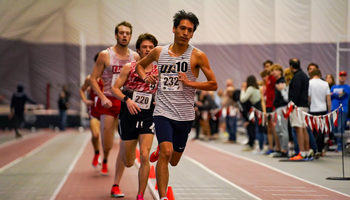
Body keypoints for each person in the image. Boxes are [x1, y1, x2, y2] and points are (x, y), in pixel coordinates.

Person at [135, 10, 217, 200]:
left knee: (174, 161)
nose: (185, 33)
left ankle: (162, 148)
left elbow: (213, 84)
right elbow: (139, 65)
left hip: (185, 115)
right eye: (182, 28)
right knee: (167, 152)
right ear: (174, 28)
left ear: (193, 33)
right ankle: (163, 197)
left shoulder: (197, 56)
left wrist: (190, 83)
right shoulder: (159, 52)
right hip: (162, 110)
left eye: (190, 30)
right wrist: (146, 77)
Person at [111, 33, 158, 200]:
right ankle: (123, 151)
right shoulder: (129, 68)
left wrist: (157, 101)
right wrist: (127, 100)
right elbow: (114, 89)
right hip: (129, 115)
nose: (147, 50)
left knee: (145, 155)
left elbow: (163, 92)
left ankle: (140, 195)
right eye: (144, 47)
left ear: (155, 51)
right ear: (138, 49)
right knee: (129, 161)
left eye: (151, 47)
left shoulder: (158, 70)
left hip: (148, 117)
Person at [90, 21, 140, 178]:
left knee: (125, 139)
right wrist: (102, 97)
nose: (124, 36)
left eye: (127, 33)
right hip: (109, 101)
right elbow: (92, 78)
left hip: (126, 101)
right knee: (107, 142)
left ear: (131, 36)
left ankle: (120, 168)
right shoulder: (105, 55)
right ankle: (105, 158)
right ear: (116, 35)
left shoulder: (135, 57)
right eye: (121, 33)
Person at [79, 53, 104, 168]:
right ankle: (97, 153)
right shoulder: (90, 78)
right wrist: (85, 100)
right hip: (94, 111)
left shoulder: (110, 78)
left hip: (108, 111)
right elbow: (81, 90)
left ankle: (106, 160)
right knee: (95, 135)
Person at [288, 58, 312, 161]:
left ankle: (302, 153)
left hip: (297, 106)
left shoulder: (297, 76)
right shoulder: (304, 75)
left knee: (299, 128)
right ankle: (306, 151)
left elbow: (296, 91)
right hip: (304, 105)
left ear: (291, 66)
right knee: (304, 128)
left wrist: (293, 104)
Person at [308, 68, 331, 158]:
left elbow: (309, 97)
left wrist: (308, 105)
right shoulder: (325, 84)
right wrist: (329, 111)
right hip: (322, 109)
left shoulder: (310, 83)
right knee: (320, 130)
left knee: (312, 130)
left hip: (313, 109)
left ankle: (314, 149)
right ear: (320, 74)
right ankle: (320, 150)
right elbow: (328, 98)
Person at [240, 76, 263, 152]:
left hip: (256, 108)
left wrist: (243, 90)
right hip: (260, 107)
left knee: (255, 127)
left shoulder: (250, 88)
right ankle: (259, 145)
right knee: (259, 127)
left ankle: (255, 145)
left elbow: (243, 99)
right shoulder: (257, 87)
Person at [271, 64, 289, 158]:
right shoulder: (277, 81)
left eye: (276, 70)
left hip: (282, 107)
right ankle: (282, 148)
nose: (274, 72)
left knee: (283, 129)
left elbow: (285, 95)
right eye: (273, 70)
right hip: (278, 107)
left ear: (280, 71)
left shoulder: (282, 81)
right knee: (278, 129)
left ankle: (284, 149)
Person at [330, 71, 350, 152]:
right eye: (341, 76)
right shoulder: (333, 87)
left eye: (343, 76)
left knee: (340, 128)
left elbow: (343, 96)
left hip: (343, 110)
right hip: (333, 110)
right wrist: (337, 95)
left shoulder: (347, 87)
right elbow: (330, 97)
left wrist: (335, 95)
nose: (342, 77)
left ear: (345, 77)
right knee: (334, 128)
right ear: (338, 77)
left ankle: (340, 146)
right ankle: (336, 143)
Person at [264, 60, 280, 155]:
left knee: (275, 128)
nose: (267, 68)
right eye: (265, 66)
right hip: (268, 106)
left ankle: (277, 148)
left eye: (268, 66)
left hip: (274, 105)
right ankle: (270, 147)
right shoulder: (268, 78)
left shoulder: (274, 78)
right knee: (269, 128)